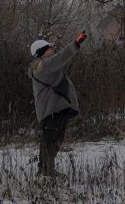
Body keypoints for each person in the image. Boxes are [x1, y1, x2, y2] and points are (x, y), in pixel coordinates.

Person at [28, 30, 87, 180]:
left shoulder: (43, 66)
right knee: (50, 141)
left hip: (55, 109)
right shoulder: (42, 66)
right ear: (41, 53)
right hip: (51, 110)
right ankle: (46, 173)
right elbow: (61, 57)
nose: (52, 51)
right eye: (49, 49)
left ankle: (46, 170)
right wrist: (76, 43)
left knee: (53, 140)